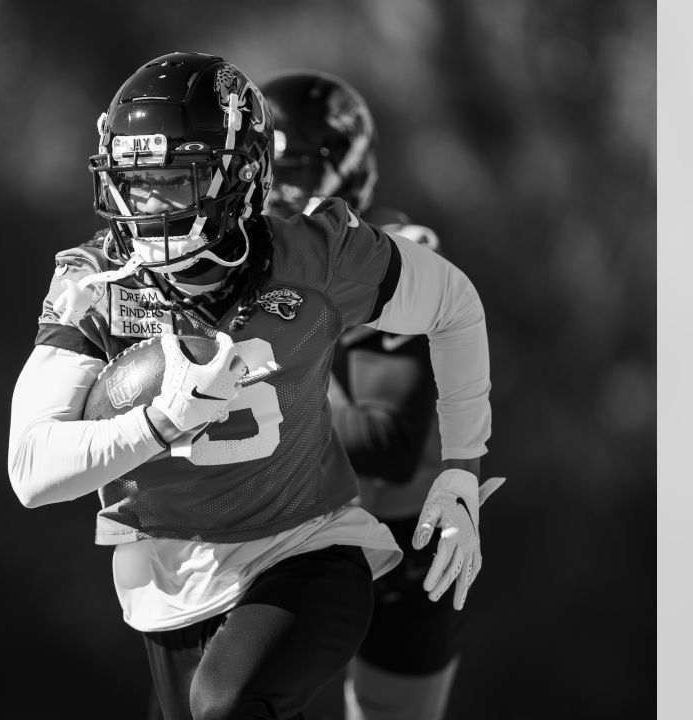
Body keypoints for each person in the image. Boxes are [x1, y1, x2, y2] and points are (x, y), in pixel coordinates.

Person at [7, 52, 496, 720]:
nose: (149, 208)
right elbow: (31, 471)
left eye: (175, 182)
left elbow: (454, 306)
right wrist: (159, 424)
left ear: (235, 175)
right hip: (174, 572)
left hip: (308, 546)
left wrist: (463, 467)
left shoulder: (317, 254)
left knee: (230, 708)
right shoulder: (93, 285)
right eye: (135, 183)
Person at [261, 70, 503, 720]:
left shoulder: (391, 262)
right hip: (283, 538)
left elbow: (389, 442)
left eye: (290, 172)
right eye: (258, 171)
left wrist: (257, 392)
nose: (269, 191)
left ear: (344, 171)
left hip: (400, 543)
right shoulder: (237, 264)